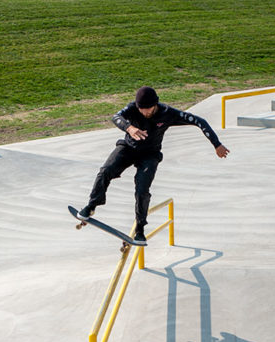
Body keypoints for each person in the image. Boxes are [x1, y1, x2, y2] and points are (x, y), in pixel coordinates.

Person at [76, 86, 230, 243]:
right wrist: (129, 128)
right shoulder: (132, 108)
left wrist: (216, 144)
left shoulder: (167, 113)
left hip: (150, 155)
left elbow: (199, 121)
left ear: (155, 104)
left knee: (142, 189)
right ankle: (92, 206)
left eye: (148, 109)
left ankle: (140, 229)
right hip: (128, 148)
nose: (145, 112)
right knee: (105, 171)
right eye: (141, 109)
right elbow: (116, 117)